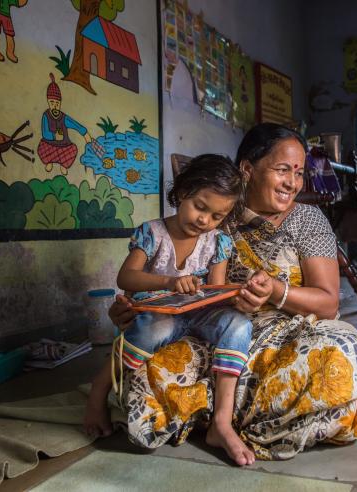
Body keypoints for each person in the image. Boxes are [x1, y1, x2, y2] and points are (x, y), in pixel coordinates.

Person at [107, 123, 357, 461]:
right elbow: (167, 281)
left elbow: (328, 304)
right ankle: (234, 413)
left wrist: (275, 292)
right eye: (282, 170)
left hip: (287, 338)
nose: (292, 183)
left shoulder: (308, 220)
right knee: (145, 373)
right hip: (215, 335)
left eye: (298, 173)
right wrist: (133, 310)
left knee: (340, 359)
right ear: (247, 169)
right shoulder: (215, 217)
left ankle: (215, 415)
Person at [84, 154, 256, 465]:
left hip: (198, 313)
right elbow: (126, 277)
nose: (205, 220)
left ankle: (221, 422)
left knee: (239, 325)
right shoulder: (152, 233)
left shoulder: (217, 242)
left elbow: (215, 291)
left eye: (217, 216)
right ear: (181, 192)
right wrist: (169, 281)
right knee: (157, 328)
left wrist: (234, 295)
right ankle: (100, 388)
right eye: (200, 207)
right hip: (159, 314)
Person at [37, 74, 94, 175]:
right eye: (52, 103)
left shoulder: (64, 118)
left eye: (57, 103)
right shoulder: (46, 115)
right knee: (41, 148)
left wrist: (85, 135)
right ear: (48, 102)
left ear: (60, 104)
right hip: (49, 145)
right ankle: (49, 162)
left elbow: (76, 126)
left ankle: (63, 165)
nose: (55, 106)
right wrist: (54, 136)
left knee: (73, 149)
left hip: (64, 146)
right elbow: (45, 132)